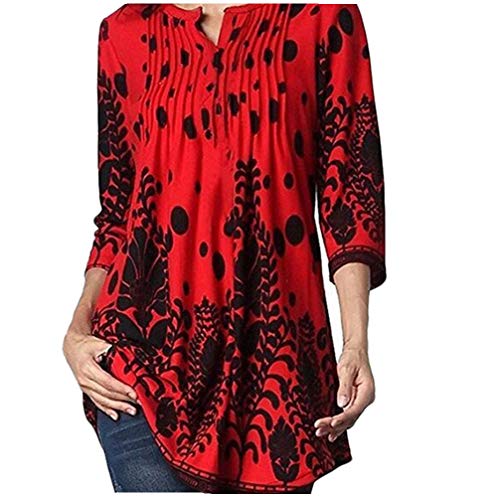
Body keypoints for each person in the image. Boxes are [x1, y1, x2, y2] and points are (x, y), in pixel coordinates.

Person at [63, 3, 386, 493]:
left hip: (276, 372)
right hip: (144, 360)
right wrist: (77, 330)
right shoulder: (124, 34)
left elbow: (351, 199)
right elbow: (117, 212)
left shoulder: (320, 19)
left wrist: (356, 342)